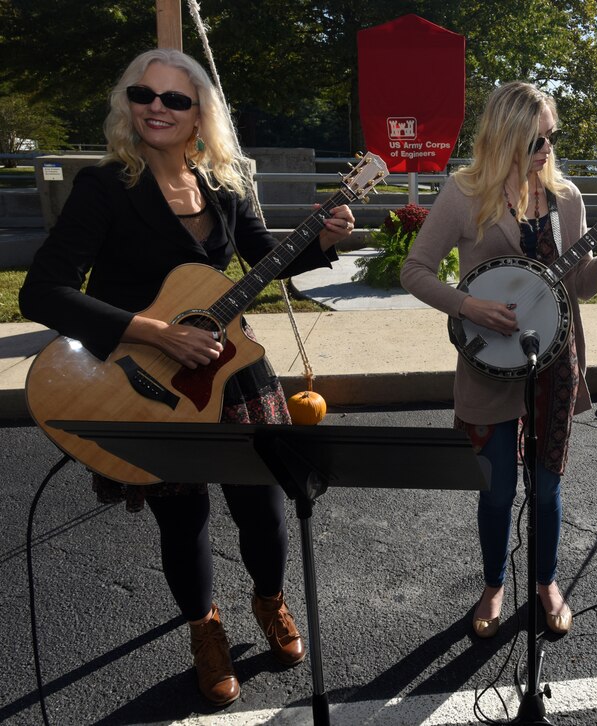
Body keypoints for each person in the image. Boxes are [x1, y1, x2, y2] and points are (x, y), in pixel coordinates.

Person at [19, 49, 356, 706]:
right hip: (140, 376)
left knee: (262, 506)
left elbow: (267, 259)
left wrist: (323, 238)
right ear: (128, 103)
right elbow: (43, 293)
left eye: (175, 99)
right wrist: (155, 331)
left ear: (200, 113)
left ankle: (268, 600)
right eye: (144, 94)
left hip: (233, 371)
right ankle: (205, 630)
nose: (156, 107)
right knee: (183, 516)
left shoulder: (225, 185)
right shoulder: (105, 188)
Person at [401, 81, 597, 638]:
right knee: (495, 489)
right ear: (505, 137)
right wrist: (469, 305)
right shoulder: (464, 193)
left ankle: (546, 582)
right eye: (536, 140)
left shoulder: (567, 198)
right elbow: (414, 270)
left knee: (546, 485)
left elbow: (580, 288)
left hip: (554, 364)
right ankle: (493, 584)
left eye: (551, 138)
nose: (546, 151)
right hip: (488, 365)